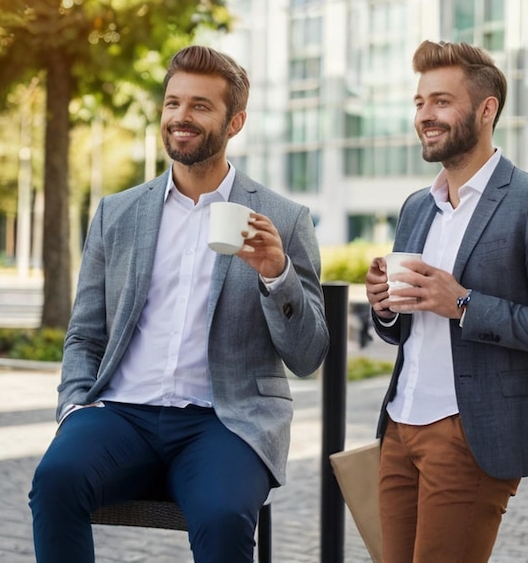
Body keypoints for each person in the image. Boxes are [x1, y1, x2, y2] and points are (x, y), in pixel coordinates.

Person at [29, 46, 330, 563]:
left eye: (199, 106)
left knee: (222, 517)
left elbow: (308, 357)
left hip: (226, 420)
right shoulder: (117, 213)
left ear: (234, 121)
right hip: (121, 414)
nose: (180, 118)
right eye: (173, 104)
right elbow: (85, 333)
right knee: (54, 481)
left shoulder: (283, 218)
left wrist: (277, 276)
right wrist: (75, 408)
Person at [365, 40, 528, 563]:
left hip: (470, 433)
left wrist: (465, 304)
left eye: (441, 101)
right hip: (399, 428)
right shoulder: (415, 207)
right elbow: (404, 326)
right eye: (420, 102)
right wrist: (385, 306)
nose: (426, 115)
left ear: (486, 109)